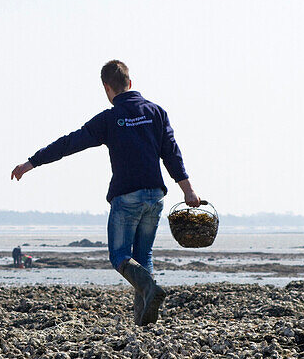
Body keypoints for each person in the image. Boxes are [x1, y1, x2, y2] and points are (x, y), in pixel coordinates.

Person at [11, 60, 202, 326]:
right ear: (130, 83)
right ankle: (143, 318)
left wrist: (32, 162)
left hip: (127, 198)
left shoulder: (110, 119)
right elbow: (172, 153)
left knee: (120, 256)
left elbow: (70, 143)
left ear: (107, 88)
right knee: (143, 255)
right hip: (155, 196)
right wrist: (188, 190)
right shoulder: (156, 112)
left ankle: (149, 290)